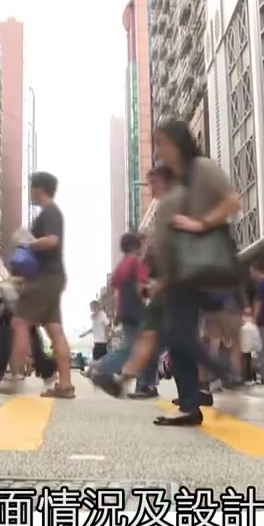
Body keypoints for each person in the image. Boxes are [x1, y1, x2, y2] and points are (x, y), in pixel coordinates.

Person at [149, 120, 245, 426]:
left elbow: (232, 202)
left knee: (179, 335)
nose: (159, 151)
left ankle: (225, 375)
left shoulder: (201, 168)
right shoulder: (176, 180)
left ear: (178, 142)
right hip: (178, 273)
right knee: (177, 338)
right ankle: (190, 404)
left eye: (162, 143)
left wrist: (200, 224)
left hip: (198, 267)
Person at [94, 168, 171, 400]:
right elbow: (139, 287)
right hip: (140, 308)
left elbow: (116, 288)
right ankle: (109, 371)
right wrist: (148, 291)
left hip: (128, 309)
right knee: (140, 345)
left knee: (142, 344)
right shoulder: (136, 262)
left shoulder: (122, 265)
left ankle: (141, 383)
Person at [0, 171, 74, 398]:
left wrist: (27, 243)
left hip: (45, 278)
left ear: (39, 189)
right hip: (53, 277)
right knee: (54, 329)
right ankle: (65, 384)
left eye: (31, 187)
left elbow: (52, 241)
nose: (30, 192)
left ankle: (15, 378)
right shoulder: (51, 212)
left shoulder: (50, 212)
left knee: (20, 322)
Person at [81, 300, 111, 364]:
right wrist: (85, 334)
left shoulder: (102, 314)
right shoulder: (94, 316)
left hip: (102, 341)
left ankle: (92, 369)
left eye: (91, 307)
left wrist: (107, 336)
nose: (90, 309)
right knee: (97, 360)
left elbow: (107, 325)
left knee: (98, 360)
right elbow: (93, 328)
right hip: (97, 341)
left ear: (96, 306)